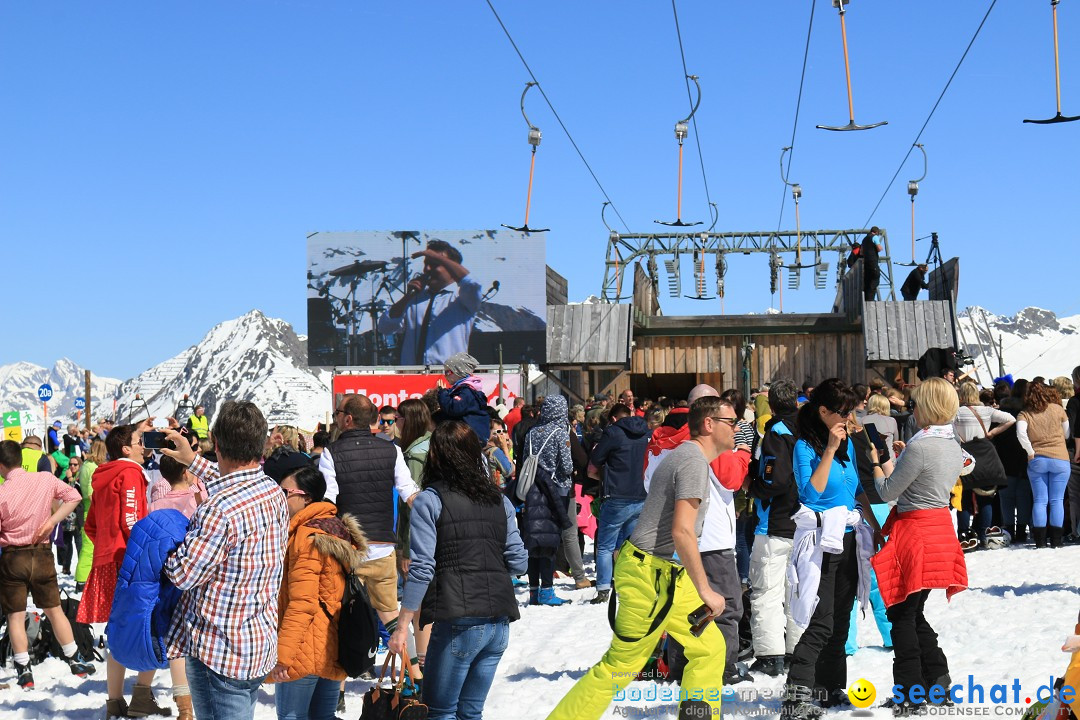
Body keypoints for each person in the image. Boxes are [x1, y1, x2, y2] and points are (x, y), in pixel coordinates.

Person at [545, 396, 736, 720]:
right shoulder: (692, 461)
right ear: (709, 425)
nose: (737, 429)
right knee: (621, 667)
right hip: (649, 575)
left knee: (710, 648)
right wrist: (706, 590)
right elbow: (682, 532)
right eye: (731, 422)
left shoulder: (692, 457)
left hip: (669, 575)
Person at [389, 420, 528, 720]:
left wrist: (402, 626)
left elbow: (422, 568)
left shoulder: (430, 500)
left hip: (458, 621)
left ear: (436, 457)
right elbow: (519, 562)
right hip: (498, 622)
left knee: (440, 712)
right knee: (470, 712)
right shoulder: (499, 500)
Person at [161, 401, 290, 720]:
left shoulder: (219, 511)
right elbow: (234, 482)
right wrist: (192, 461)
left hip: (219, 650)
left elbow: (183, 574)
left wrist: (163, 545)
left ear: (216, 444)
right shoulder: (271, 490)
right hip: (256, 640)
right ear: (261, 444)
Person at [782, 379, 882, 720]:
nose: (849, 418)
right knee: (821, 621)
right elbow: (810, 494)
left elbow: (855, 489)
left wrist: (875, 523)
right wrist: (828, 449)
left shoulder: (848, 445)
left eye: (851, 411)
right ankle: (795, 698)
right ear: (823, 411)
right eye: (843, 412)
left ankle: (829, 687)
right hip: (819, 542)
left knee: (842, 617)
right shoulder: (804, 447)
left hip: (850, 537)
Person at [871, 377, 972, 716]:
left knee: (901, 613)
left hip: (915, 533)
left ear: (926, 406)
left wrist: (875, 462)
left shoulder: (921, 444)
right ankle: (937, 681)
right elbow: (954, 467)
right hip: (941, 529)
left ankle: (911, 693)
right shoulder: (951, 442)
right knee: (912, 612)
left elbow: (887, 492)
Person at [318, 394, 423, 679]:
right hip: (383, 548)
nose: (336, 417)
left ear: (347, 419)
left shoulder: (331, 453)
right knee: (392, 617)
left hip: (348, 551)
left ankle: (337, 689)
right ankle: (414, 676)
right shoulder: (393, 451)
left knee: (341, 619)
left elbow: (328, 502)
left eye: (338, 413)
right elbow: (410, 492)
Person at [78, 421, 171, 718]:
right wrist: (144, 553)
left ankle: (114, 701)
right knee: (152, 623)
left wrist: (108, 544)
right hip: (130, 560)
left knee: (116, 629)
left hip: (107, 558)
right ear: (126, 448)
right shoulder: (130, 473)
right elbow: (131, 520)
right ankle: (142, 695)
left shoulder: (103, 475)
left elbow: (91, 525)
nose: (144, 446)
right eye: (138, 440)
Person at [267, 462, 367, 720]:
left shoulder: (308, 537)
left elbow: (303, 602)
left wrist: (283, 656)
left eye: (285, 493)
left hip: (304, 648)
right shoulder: (334, 528)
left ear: (307, 497)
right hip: (332, 645)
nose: (280, 498)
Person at [0, 440, 96, 689]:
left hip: (13, 556)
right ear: (21, 458)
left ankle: (24, 670)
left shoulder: (1, 493)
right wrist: (52, 521)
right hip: (42, 554)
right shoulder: (44, 480)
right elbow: (74, 497)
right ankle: (74, 657)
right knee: (54, 609)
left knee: (15, 615)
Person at [747, 379, 803, 677]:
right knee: (797, 590)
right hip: (805, 523)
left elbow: (774, 479)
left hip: (776, 522)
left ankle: (770, 654)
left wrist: (754, 486)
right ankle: (797, 649)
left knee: (767, 590)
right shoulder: (808, 429)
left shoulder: (776, 433)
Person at [522, 395, 587, 602]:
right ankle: (548, 591)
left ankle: (533, 591)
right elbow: (567, 466)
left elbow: (525, 460)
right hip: (556, 491)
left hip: (533, 489)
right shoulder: (560, 433)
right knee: (553, 538)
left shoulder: (532, 432)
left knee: (535, 540)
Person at [377, 239, 483, 365]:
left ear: (451, 267)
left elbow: (472, 283)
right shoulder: (415, 299)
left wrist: (441, 258)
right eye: (426, 264)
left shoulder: (462, 298)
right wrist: (407, 297)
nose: (427, 269)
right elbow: (385, 327)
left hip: (449, 376)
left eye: (434, 264)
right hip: (414, 376)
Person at [587, 402, 650, 605]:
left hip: (616, 496)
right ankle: (630, 583)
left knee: (605, 546)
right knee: (630, 545)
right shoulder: (646, 432)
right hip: (641, 494)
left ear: (614, 418)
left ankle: (604, 588)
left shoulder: (612, 433)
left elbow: (594, 462)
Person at [1018, 382, 1071, 548]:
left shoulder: (1024, 414)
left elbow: (1020, 434)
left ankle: (1040, 542)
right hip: (1060, 458)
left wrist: (1029, 450)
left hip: (1037, 458)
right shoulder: (1058, 409)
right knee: (1057, 500)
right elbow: (1067, 432)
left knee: (1040, 500)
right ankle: (1056, 540)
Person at [436, 352, 490, 445]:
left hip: (469, 439)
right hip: (468, 436)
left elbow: (454, 409)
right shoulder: (464, 390)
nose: (445, 375)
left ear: (459, 372)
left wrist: (443, 393)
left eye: (448, 372)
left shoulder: (466, 391)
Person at [75, 438, 107, 592]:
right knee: (89, 548)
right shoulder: (94, 467)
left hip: (87, 510)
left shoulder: (86, 465)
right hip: (91, 511)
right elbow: (90, 492)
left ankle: (82, 579)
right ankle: (82, 581)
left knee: (87, 547)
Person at [846, 227, 883, 302]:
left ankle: (866, 300)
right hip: (872, 262)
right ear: (876, 232)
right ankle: (870, 300)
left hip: (865, 265)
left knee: (867, 282)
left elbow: (862, 253)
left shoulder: (864, 239)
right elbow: (879, 249)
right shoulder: (874, 237)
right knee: (875, 279)